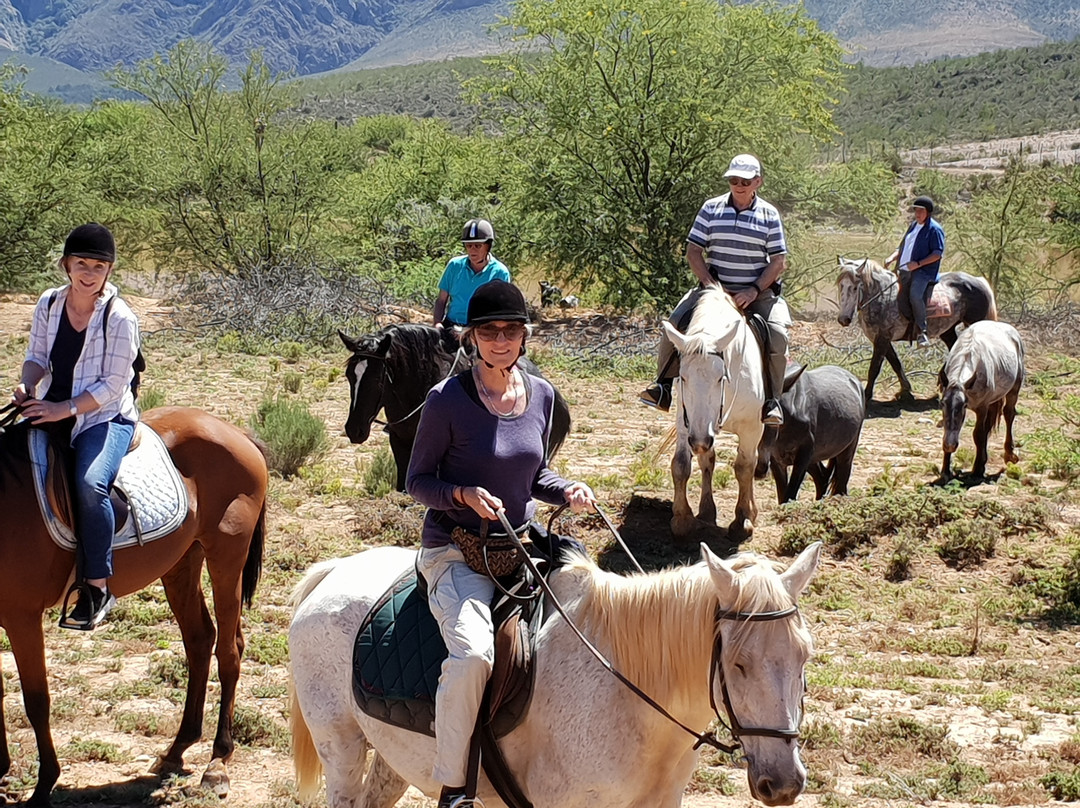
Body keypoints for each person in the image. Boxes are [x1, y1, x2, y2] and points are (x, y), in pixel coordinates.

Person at [406, 279, 596, 808]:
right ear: (472, 337)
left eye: (511, 330)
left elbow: (534, 475)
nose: (500, 340)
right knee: (473, 656)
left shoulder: (542, 396)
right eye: (489, 331)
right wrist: (462, 494)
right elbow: (416, 481)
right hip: (456, 548)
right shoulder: (446, 400)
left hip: (521, 548)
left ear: (524, 336)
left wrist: (567, 488)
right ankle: (453, 786)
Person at [13, 223, 140, 630]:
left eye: (99, 266)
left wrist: (61, 410)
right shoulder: (49, 303)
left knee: (89, 483)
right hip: (50, 406)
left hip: (104, 417)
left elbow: (112, 386)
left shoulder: (120, 318)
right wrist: (27, 384)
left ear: (110, 270)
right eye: (81, 263)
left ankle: (97, 588)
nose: (89, 273)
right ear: (66, 265)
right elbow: (36, 355)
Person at [640, 153, 791, 425]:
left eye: (745, 181)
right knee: (675, 323)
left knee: (778, 335)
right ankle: (662, 386)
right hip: (714, 290)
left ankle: (772, 401)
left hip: (756, 293)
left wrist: (754, 290)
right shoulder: (711, 208)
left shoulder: (769, 214)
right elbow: (693, 251)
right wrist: (711, 286)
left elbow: (778, 261)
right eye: (734, 180)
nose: (739, 185)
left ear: (757, 181)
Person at [885, 195, 946, 348]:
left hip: (923, 272)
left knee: (915, 295)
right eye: (916, 210)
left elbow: (937, 254)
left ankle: (922, 331)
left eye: (921, 211)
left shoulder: (934, 229)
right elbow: (902, 247)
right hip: (904, 269)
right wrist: (892, 257)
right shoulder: (913, 226)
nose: (917, 214)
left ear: (928, 212)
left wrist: (918, 264)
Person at [432, 219, 511, 330]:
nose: (472, 250)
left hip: (481, 329)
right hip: (451, 327)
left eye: (477, 246)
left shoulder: (500, 272)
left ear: (488, 246)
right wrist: (437, 323)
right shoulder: (454, 266)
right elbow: (441, 300)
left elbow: (501, 309)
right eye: (469, 246)